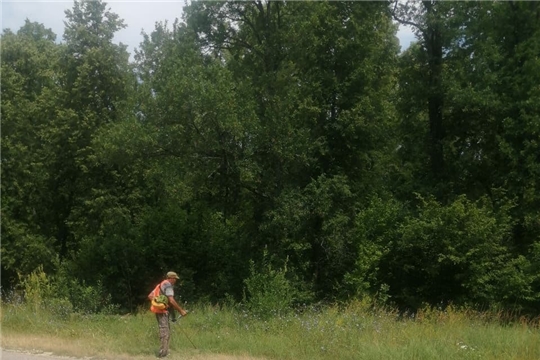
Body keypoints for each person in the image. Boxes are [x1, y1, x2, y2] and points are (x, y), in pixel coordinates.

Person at [148, 271, 188, 358]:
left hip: (158, 311)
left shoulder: (160, 285)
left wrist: (158, 301)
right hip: (163, 312)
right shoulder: (168, 285)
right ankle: (163, 354)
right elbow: (171, 300)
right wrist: (181, 311)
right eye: (175, 279)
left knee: (164, 330)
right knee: (165, 332)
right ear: (171, 278)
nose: (175, 281)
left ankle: (164, 351)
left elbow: (150, 296)